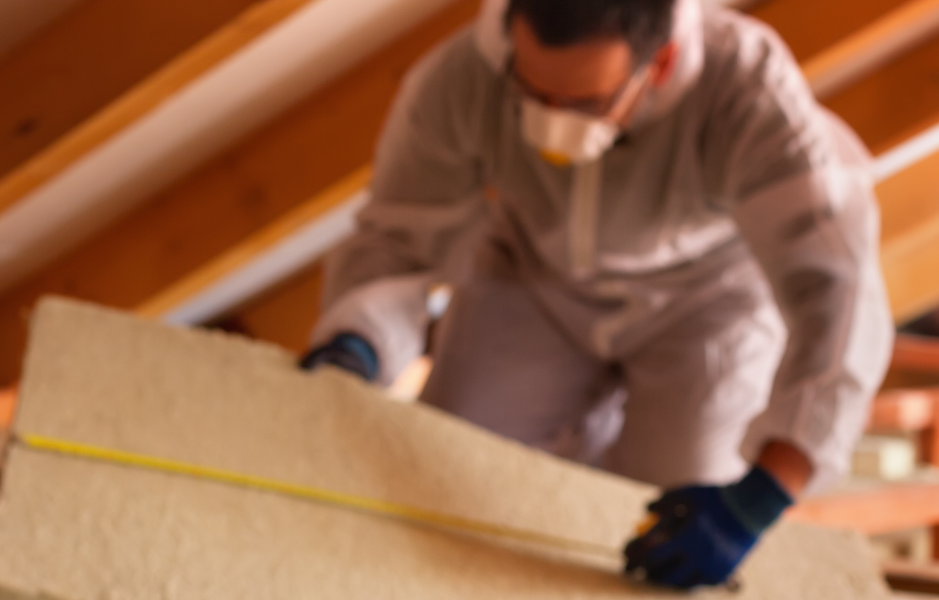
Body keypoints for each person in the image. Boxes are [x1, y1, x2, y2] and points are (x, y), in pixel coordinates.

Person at [300, 0, 893, 589]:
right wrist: (357, 344)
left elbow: (839, 298)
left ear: (659, 64)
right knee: (441, 472)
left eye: (585, 103)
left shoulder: (750, 91)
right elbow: (399, 238)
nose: (552, 122)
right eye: (531, 94)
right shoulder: (461, 77)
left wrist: (761, 498)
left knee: (669, 511)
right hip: (534, 278)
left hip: (708, 301)